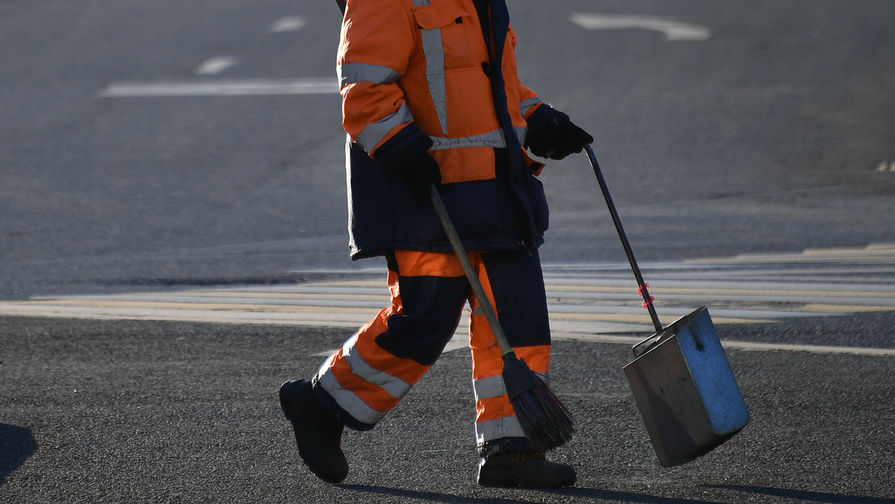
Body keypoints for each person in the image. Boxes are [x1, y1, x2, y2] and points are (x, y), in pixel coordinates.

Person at [279, 0, 592, 488]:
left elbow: (491, 90)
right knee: (424, 317)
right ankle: (321, 405)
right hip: (424, 195)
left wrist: (538, 118)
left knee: (518, 318)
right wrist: (398, 143)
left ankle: (511, 449)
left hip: (495, 189)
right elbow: (363, 90)